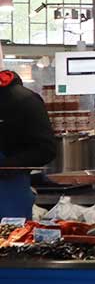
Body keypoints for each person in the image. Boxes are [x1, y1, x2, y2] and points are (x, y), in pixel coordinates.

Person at [0, 70, 56, 218]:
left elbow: (46, 149)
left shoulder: (24, 100)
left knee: (12, 237)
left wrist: (8, 165)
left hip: (9, 190)